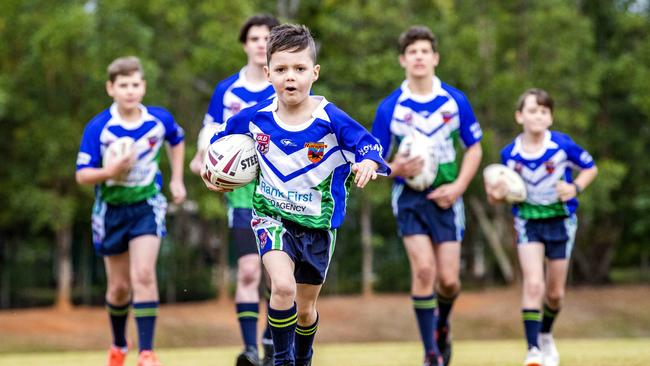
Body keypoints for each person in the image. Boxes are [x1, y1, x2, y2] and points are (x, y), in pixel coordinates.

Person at [201, 23, 390, 366]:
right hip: (271, 217)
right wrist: (211, 171)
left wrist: (367, 164)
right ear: (268, 72)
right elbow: (219, 141)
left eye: (300, 69)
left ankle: (303, 358)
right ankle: (282, 361)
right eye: (282, 69)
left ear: (314, 73)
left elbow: (369, 145)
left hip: (318, 226)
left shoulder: (330, 119)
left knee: (305, 311)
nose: (291, 77)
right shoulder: (256, 117)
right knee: (282, 287)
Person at [371, 26, 483, 366]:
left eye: (425, 51)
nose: (418, 57)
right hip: (409, 199)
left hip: (448, 198)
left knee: (448, 281)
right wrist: (396, 168)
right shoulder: (390, 107)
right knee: (423, 272)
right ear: (402, 60)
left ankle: (442, 325)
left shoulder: (455, 100)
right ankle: (431, 354)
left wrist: (460, 186)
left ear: (435, 58)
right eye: (412, 52)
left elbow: (474, 147)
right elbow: (373, 161)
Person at [75, 56, 186, 366]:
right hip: (110, 210)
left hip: (147, 206)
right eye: (123, 85)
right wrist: (110, 171)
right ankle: (119, 344)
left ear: (144, 86)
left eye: (135, 84)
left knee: (144, 274)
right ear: (111, 88)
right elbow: (82, 175)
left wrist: (176, 180)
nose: (130, 91)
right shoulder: (99, 127)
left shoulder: (158, 119)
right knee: (120, 287)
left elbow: (177, 140)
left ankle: (147, 353)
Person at [189, 14, 280, 366]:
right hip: (242, 193)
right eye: (254, 38)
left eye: (267, 37)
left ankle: (272, 339)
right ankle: (251, 351)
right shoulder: (228, 89)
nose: (261, 43)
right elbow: (209, 131)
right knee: (247, 271)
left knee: (278, 275)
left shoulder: (285, 84)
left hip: (281, 188)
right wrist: (203, 162)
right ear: (245, 44)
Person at [485, 88, 597, 366]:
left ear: (551, 117)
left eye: (544, 111)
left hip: (560, 221)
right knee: (534, 284)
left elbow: (590, 167)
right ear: (519, 116)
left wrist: (575, 187)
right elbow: (497, 195)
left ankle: (546, 335)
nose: (538, 116)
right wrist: (497, 193)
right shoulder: (509, 153)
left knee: (555, 293)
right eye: (532, 110)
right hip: (528, 223)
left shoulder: (562, 145)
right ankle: (533, 350)